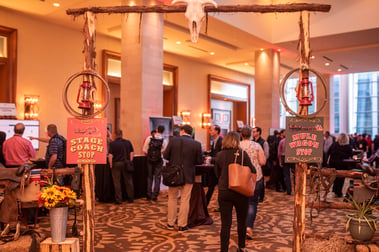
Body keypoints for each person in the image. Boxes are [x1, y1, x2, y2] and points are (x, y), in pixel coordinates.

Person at [215, 131, 256, 252]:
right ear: (237, 141)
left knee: (225, 223)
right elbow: (252, 170)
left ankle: (224, 250)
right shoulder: (242, 154)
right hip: (240, 191)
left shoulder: (219, 155)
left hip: (224, 191)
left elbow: (216, 173)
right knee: (241, 221)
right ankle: (242, 247)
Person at [163, 125, 203, 232]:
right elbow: (199, 161)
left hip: (174, 174)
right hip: (188, 175)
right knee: (185, 199)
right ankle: (182, 225)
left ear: (182, 131)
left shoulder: (173, 141)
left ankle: (170, 223)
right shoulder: (196, 144)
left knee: (172, 198)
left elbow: (166, 156)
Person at [240, 127, 265, 240]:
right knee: (252, 203)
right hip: (256, 176)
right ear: (251, 134)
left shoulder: (237, 146)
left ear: (241, 134)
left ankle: (241, 226)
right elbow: (262, 162)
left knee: (241, 202)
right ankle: (249, 227)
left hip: (241, 177)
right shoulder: (257, 146)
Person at [108, 130, 135, 204]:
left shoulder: (112, 144)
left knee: (117, 183)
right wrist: (130, 161)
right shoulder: (127, 142)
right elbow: (131, 153)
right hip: (126, 163)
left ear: (115, 135)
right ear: (122, 134)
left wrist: (110, 165)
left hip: (116, 164)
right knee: (129, 181)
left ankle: (119, 200)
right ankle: (130, 198)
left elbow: (110, 155)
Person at [142, 125, 167, 201]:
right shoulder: (164, 140)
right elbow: (164, 151)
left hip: (149, 160)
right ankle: (155, 195)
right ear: (163, 132)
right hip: (159, 160)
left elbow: (144, 149)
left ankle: (148, 194)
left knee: (149, 177)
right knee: (157, 177)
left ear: (156, 130)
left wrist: (150, 154)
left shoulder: (149, 138)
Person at [328, 133, 353, 197]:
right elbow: (351, 154)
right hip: (342, 164)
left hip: (333, 163)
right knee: (341, 178)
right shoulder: (347, 146)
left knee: (335, 177)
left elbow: (328, 152)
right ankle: (338, 192)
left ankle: (335, 190)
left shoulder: (334, 144)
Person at [205, 125, 223, 206]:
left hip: (220, 168)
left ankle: (220, 205)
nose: (210, 132)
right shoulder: (214, 140)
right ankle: (205, 203)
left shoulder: (221, 141)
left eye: (211, 130)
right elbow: (213, 153)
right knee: (211, 186)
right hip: (214, 167)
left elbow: (221, 154)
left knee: (220, 188)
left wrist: (212, 158)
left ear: (216, 131)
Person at [252, 126, 269, 202]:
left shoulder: (263, 142)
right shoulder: (251, 141)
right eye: (252, 132)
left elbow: (266, 154)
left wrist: (261, 161)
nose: (253, 133)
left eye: (254, 131)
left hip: (261, 164)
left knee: (261, 181)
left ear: (258, 132)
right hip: (252, 164)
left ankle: (261, 197)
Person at [278, 129, 292, 195]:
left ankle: (289, 190)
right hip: (292, 157)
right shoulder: (292, 141)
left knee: (286, 175)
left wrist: (280, 161)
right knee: (293, 175)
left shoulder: (282, 141)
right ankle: (292, 188)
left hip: (284, 157)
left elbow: (279, 153)